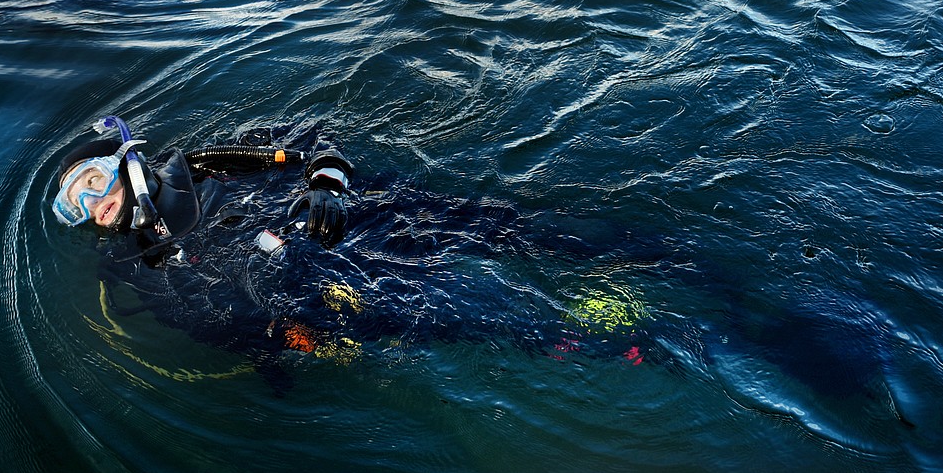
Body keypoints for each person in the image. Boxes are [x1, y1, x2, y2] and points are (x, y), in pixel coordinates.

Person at [52, 115, 657, 391]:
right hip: (322, 286)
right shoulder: (131, 261)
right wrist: (271, 344)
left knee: (506, 228)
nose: (91, 206)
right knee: (458, 317)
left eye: (90, 185)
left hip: (359, 216)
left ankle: (649, 255)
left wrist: (326, 184)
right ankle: (626, 347)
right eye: (75, 206)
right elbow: (193, 318)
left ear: (122, 164)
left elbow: (308, 136)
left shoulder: (201, 165)